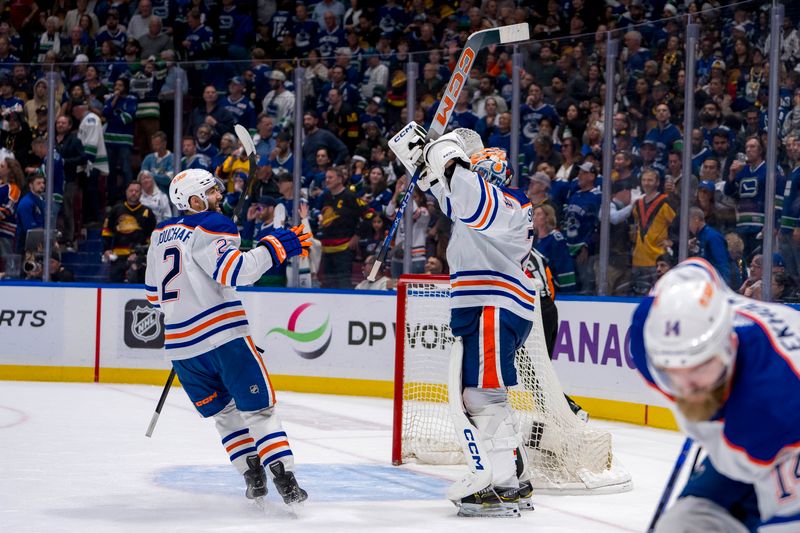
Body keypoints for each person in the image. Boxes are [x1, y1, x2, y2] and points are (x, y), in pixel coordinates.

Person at [391, 123, 535, 516]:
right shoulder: (489, 204)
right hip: (491, 306)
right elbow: (454, 197)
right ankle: (512, 480)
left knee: (482, 397)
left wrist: (448, 155)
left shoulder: (508, 204)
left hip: (494, 306)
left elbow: (469, 197)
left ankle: (499, 485)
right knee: (486, 395)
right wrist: (425, 165)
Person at [144, 169, 310, 504]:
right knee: (259, 412)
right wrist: (278, 245)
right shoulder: (214, 224)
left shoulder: (159, 233)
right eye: (212, 192)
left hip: (181, 348)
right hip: (223, 338)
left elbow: (152, 295)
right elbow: (239, 271)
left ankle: (253, 479)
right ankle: (285, 481)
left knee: (225, 415)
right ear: (195, 200)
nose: (220, 197)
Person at [630, 257, 800, 532]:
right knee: (681, 525)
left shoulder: (776, 407)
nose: (687, 388)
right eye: (672, 370)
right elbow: (695, 268)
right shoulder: (646, 334)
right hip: (751, 439)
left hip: (782, 440)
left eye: (699, 367)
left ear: (728, 347)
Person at [102, 180, 157, 283]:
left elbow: (153, 238)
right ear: (126, 192)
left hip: (139, 259)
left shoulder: (147, 212)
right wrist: (106, 249)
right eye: (131, 190)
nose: (133, 193)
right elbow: (107, 231)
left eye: (136, 191)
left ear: (141, 193)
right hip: (118, 257)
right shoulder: (116, 210)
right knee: (114, 285)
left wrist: (143, 254)